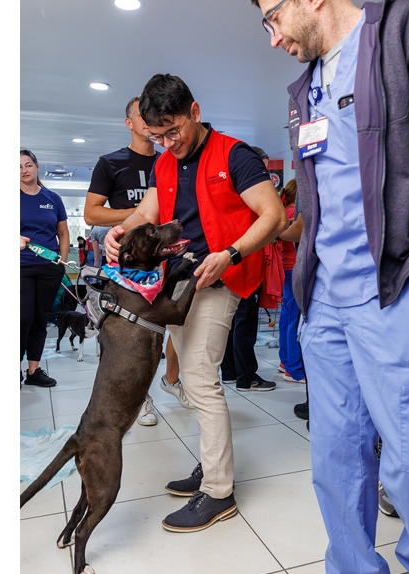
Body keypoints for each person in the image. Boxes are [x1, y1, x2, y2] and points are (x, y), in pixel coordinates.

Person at [249, 1, 409, 574]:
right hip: (326, 298)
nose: (272, 38)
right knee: (336, 455)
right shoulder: (304, 90)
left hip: (395, 286)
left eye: (272, 18)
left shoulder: (407, 23)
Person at [104, 74, 287, 533]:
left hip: (221, 278)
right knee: (189, 374)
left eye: (173, 131)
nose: (168, 143)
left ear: (195, 112)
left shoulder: (235, 155)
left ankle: (219, 491)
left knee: (201, 380)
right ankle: (210, 466)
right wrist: (119, 230)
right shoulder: (166, 163)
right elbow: (148, 211)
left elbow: (273, 214)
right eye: (158, 136)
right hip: (181, 283)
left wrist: (230, 254)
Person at [84, 96, 179, 426]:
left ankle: (171, 380)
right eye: (142, 115)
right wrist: (141, 217)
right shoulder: (111, 163)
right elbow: (92, 212)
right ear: (130, 123)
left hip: (160, 259)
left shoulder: (169, 160)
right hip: (124, 265)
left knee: (168, 324)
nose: (149, 119)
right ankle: (143, 400)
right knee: (125, 339)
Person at [219, 145, 278, 392]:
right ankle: (247, 376)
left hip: (231, 259)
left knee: (232, 322)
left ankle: (231, 371)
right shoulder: (248, 197)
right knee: (244, 321)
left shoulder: (234, 194)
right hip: (243, 262)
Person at [20, 149, 69, 388]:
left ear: (37, 167)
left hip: (49, 267)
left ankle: (34, 370)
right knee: (22, 318)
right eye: (18, 167)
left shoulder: (53, 198)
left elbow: (63, 233)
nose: (23, 170)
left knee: (41, 318)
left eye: (28, 165)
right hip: (21, 266)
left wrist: (62, 261)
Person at [276, 178, 305, 385]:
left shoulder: (284, 212)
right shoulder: (294, 214)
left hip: (285, 270)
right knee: (294, 321)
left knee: (287, 318)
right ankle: (294, 369)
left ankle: (285, 362)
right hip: (294, 269)